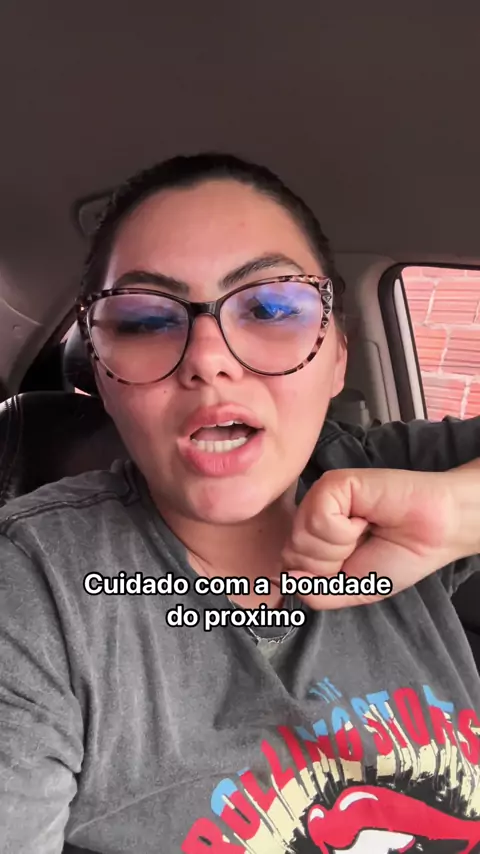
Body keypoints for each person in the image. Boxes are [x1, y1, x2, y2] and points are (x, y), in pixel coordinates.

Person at [1, 152, 480, 854]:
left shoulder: (400, 477)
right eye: (143, 320)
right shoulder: (33, 586)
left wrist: (461, 512)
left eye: (272, 308)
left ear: (338, 355)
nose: (207, 358)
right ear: (101, 376)